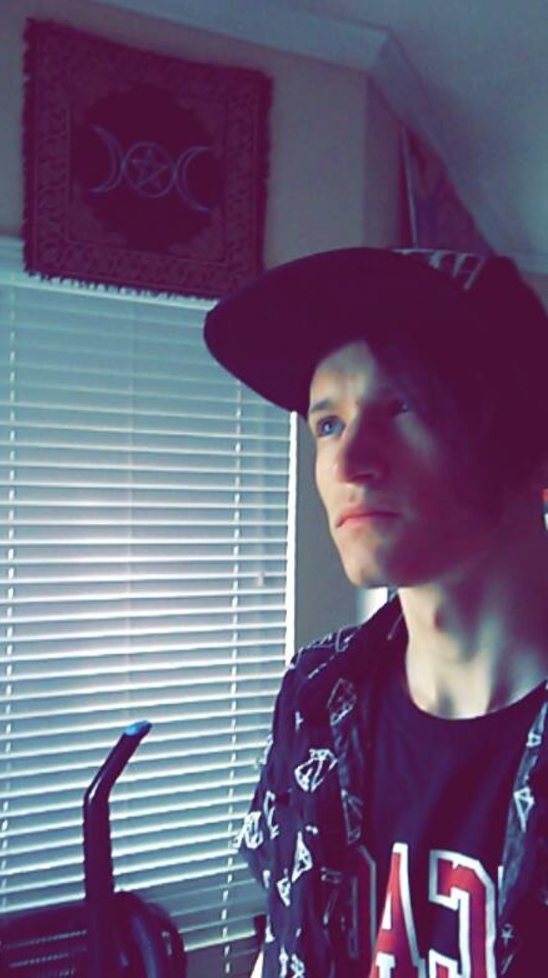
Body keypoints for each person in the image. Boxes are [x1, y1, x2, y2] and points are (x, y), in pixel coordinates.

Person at [203, 247, 548, 978]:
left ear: (534, 446)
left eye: (402, 407)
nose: (348, 462)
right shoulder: (316, 696)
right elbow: (284, 941)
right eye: (328, 424)